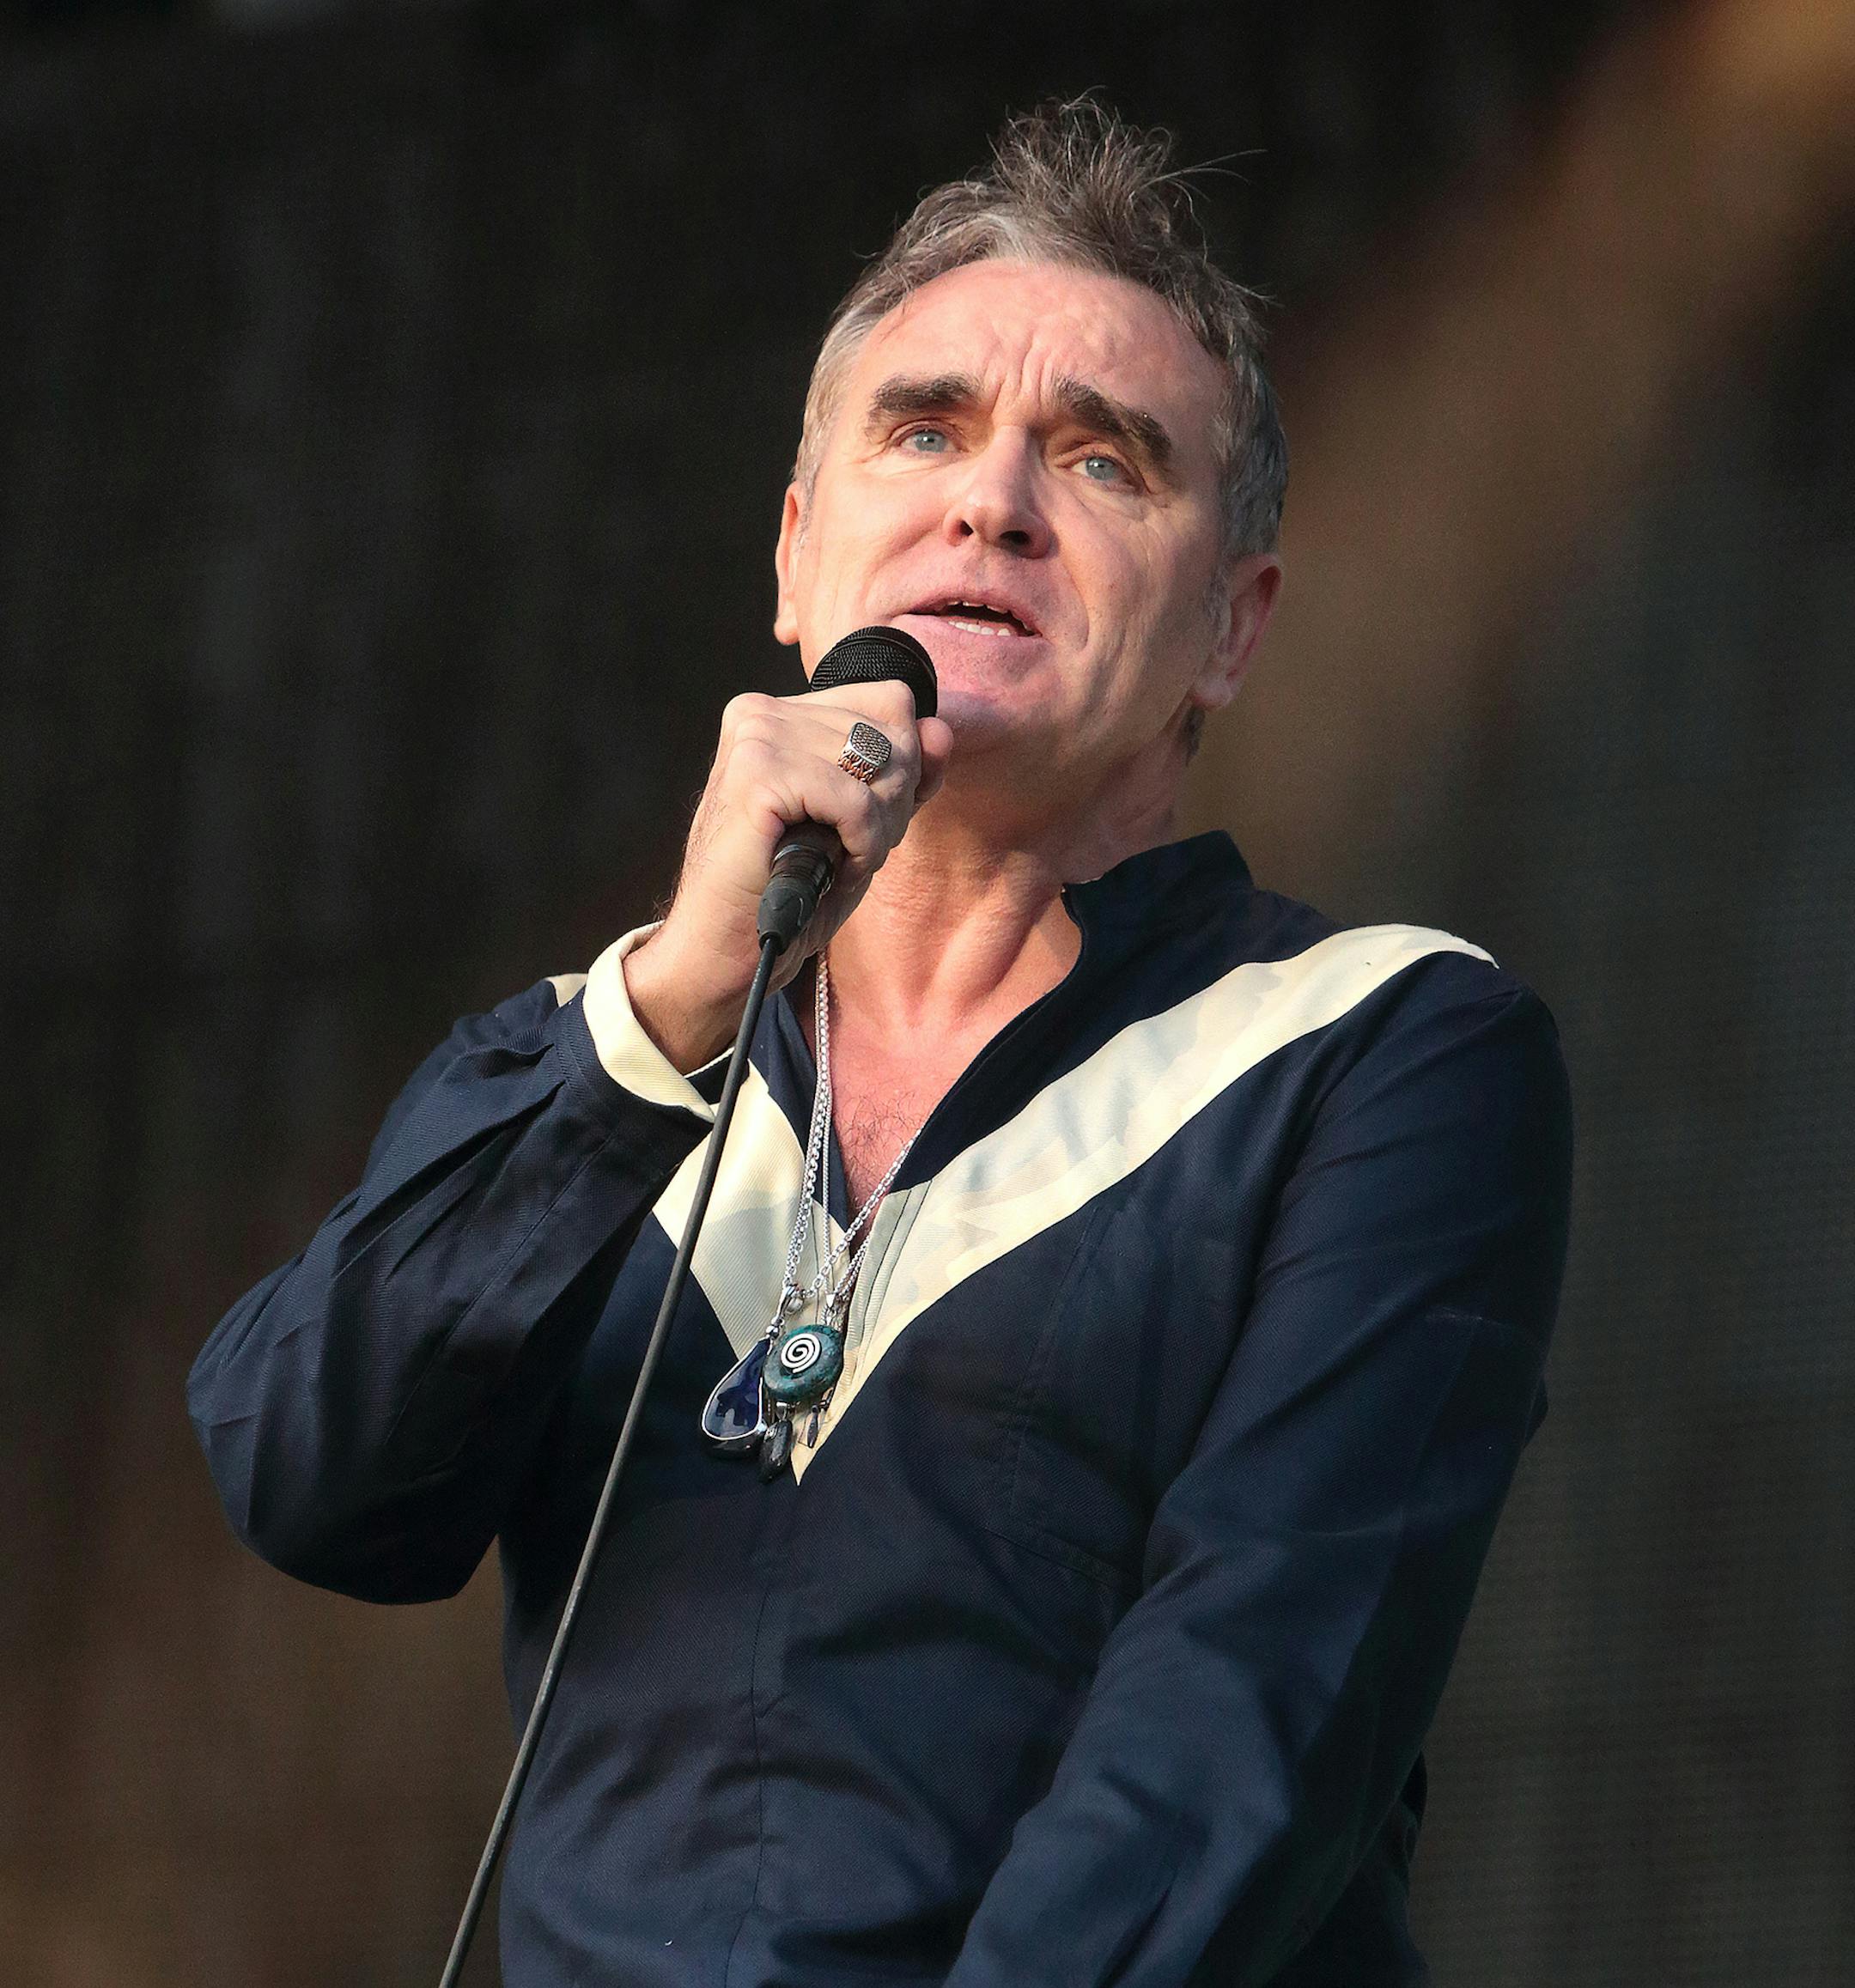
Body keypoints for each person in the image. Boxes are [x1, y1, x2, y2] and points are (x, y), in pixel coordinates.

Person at [188, 99, 1572, 1988]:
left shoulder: (1377, 1055)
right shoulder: (594, 1057)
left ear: (1234, 629)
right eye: (923, 431)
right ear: (794, 551)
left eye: (1103, 461)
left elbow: (1249, 1723)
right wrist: (670, 1002)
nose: (990, 500)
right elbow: (313, 1472)